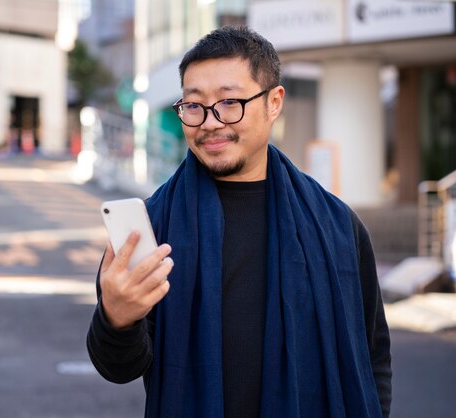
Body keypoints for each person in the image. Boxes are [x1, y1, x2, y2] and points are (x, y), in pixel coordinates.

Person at [87, 25, 391, 418]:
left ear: (274, 102)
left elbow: (373, 356)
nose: (210, 122)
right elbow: (118, 367)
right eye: (193, 105)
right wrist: (116, 318)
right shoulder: (151, 225)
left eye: (230, 102)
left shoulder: (335, 225)